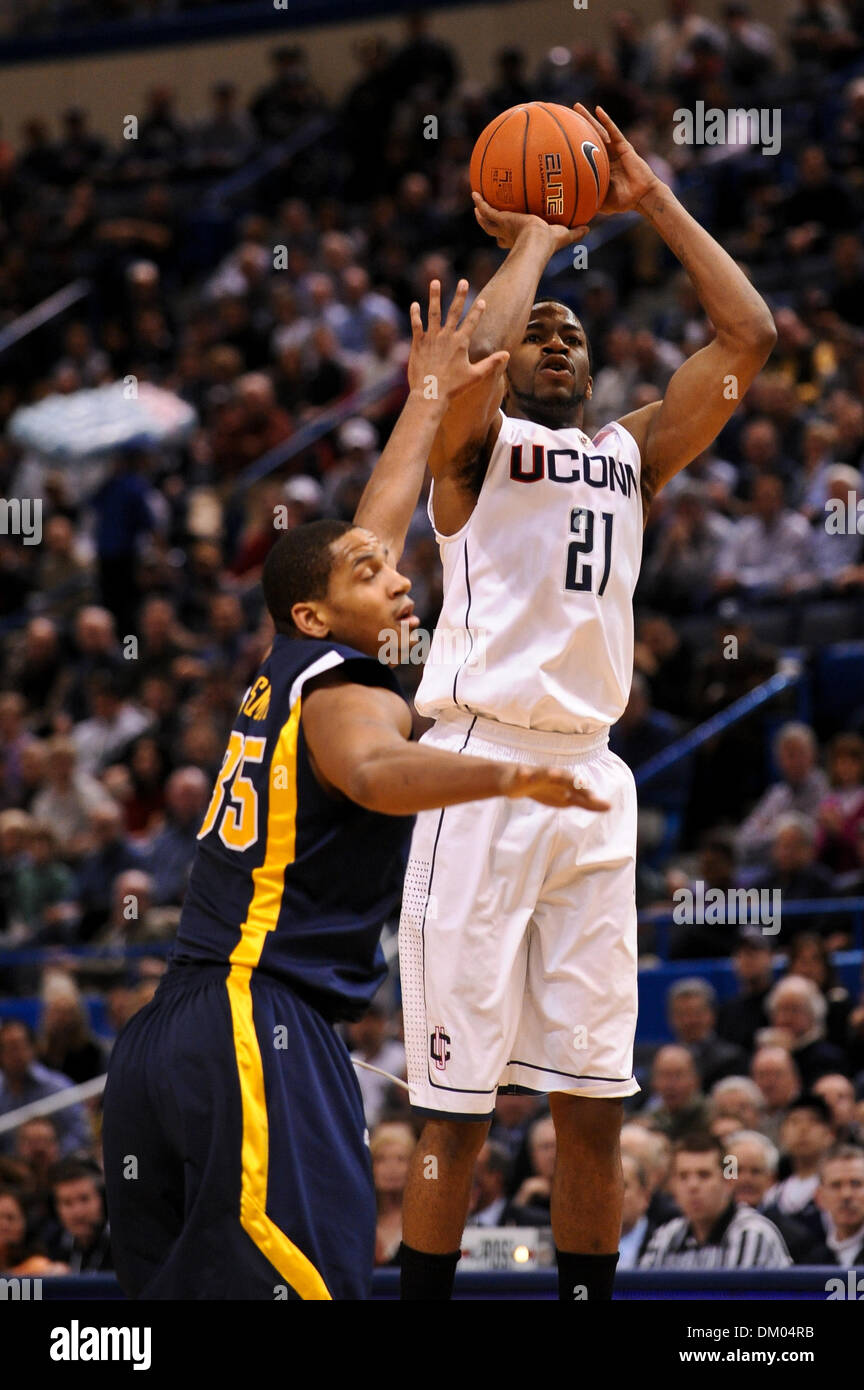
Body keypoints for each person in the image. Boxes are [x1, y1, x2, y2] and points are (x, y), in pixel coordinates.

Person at [101, 284, 605, 1302]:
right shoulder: (339, 691)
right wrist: (506, 772)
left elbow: (373, 520)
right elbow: (376, 773)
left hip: (176, 1034)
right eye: (375, 577)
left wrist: (428, 392)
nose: (402, 576)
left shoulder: (293, 659)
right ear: (316, 610)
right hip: (257, 1023)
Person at [387, 101, 776, 1303]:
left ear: (598, 372)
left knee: (594, 1102)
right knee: (458, 1112)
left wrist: (649, 197)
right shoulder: (473, 451)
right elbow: (463, 367)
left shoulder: (633, 453)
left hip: (593, 781)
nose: (553, 343)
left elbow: (749, 332)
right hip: (477, 768)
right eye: (540, 336)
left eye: (571, 338)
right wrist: (542, 241)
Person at [639, 1134, 792, 1269]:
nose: (693, 1186)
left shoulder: (752, 1234)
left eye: (704, 1175)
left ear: (728, 1182)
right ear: (672, 1185)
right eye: (683, 1176)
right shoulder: (666, 1236)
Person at [0, 1019, 91, 1159]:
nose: (15, 1054)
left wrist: (52, 1155)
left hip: (59, 1168)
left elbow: (80, 1133)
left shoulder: (58, 1087)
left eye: (19, 1046)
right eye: (8, 1048)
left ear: (33, 1048)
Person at [44, 1159, 113, 1273]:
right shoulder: (52, 1244)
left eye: (84, 1199)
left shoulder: (123, 1245)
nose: (78, 1212)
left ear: (103, 1200)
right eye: (67, 1203)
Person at [809, 1144, 864, 1264]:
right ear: (819, 1197)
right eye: (836, 1185)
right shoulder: (810, 1260)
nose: (846, 1194)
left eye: (856, 1184)